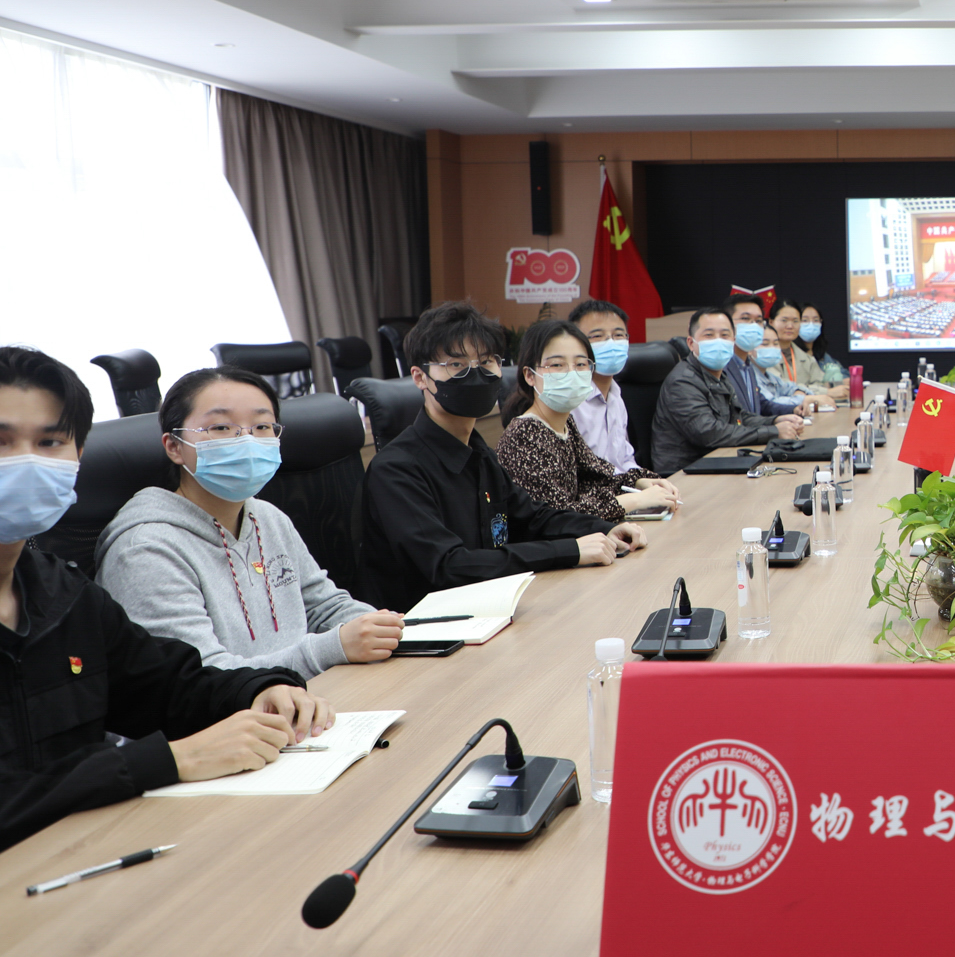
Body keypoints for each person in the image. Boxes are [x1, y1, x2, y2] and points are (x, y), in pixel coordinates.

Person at [0, 346, 335, 852]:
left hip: (88, 850)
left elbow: (165, 686)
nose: (25, 462)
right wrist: (168, 760)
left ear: (78, 457)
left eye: (50, 442)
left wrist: (258, 689)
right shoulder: (142, 541)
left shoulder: (62, 593)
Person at [97, 367, 404, 678]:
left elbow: (323, 606)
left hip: (308, 694)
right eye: (221, 427)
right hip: (240, 706)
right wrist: (331, 647)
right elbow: (201, 677)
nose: (247, 440)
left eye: (261, 426)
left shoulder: (267, 517)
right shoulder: (144, 550)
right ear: (175, 447)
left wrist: (391, 629)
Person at [360, 302, 646, 614]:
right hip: (425, 627)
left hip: (490, 609)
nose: (475, 374)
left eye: (486, 362)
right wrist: (571, 550)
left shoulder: (479, 453)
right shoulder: (397, 469)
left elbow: (532, 517)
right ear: (420, 377)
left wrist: (603, 528)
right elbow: (449, 566)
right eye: (456, 365)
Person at [496, 320, 681, 523]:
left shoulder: (564, 424)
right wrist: (634, 500)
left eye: (581, 364)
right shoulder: (524, 434)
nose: (571, 372)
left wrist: (639, 482)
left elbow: (596, 476)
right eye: (557, 365)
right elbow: (555, 517)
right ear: (530, 375)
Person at [652, 307, 806, 475]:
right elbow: (709, 433)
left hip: (716, 461)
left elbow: (738, 417)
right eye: (709, 335)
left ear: (733, 341)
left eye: (725, 335)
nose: (718, 341)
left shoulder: (719, 374)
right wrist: (773, 432)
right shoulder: (683, 381)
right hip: (683, 474)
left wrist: (774, 421)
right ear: (691, 343)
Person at [566, 298, 647, 471]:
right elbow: (579, 471)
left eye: (618, 335)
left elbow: (624, 459)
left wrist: (647, 480)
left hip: (619, 485)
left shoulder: (615, 396)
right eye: (597, 336)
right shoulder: (569, 401)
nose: (611, 343)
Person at [723, 294, 820, 416]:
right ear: (726, 323)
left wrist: (789, 412)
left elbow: (762, 405)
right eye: (746, 318)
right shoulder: (722, 366)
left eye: (758, 320)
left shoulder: (746, 366)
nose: (753, 325)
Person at [766, 300, 840, 406]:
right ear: (771, 322)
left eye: (795, 321)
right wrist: (817, 391)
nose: (790, 326)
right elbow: (778, 387)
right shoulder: (764, 356)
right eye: (784, 320)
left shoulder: (807, 358)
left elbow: (821, 384)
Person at [797, 302, 844, 386]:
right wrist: (829, 385)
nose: (811, 325)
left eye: (816, 320)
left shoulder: (822, 355)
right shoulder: (792, 354)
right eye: (805, 320)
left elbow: (843, 373)